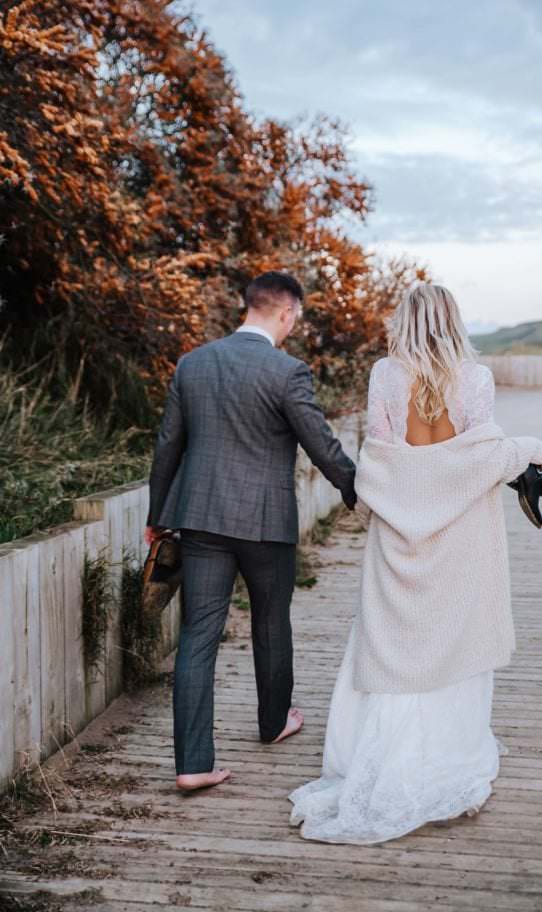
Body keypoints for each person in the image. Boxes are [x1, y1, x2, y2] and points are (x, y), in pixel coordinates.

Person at [288, 282, 542, 844]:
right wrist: (529, 446)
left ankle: (384, 757)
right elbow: (480, 455)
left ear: (403, 320)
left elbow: (382, 459)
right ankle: (445, 755)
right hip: (461, 538)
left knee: (393, 642)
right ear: (452, 320)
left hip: (397, 539)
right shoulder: (474, 379)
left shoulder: (385, 375)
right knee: (454, 637)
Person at [145, 271, 357, 792]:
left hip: (199, 519)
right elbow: (320, 443)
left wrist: (157, 517)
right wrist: (359, 490)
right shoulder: (287, 372)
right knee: (270, 620)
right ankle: (274, 721)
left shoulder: (193, 365)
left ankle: (193, 764)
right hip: (265, 523)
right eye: (295, 320)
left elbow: (168, 445)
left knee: (197, 636)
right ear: (286, 313)